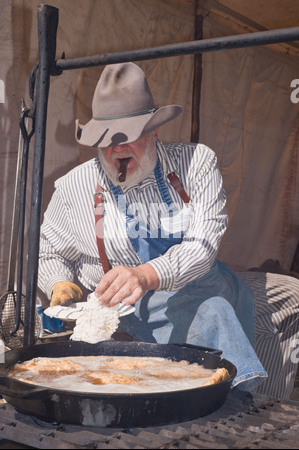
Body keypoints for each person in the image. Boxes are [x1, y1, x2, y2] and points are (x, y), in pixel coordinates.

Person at [38, 62, 270, 393]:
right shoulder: (74, 187)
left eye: (129, 137)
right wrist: (58, 282)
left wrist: (146, 275)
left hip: (200, 293)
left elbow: (202, 245)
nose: (117, 149)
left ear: (154, 130)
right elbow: (50, 251)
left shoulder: (196, 164)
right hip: (123, 314)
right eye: (107, 140)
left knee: (216, 363)